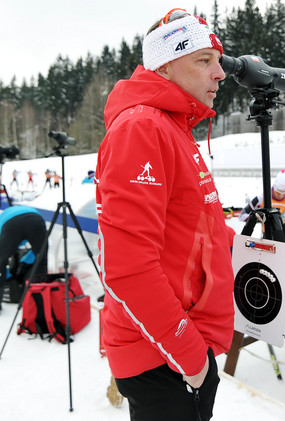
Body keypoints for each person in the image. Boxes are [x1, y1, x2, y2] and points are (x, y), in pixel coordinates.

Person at [95, 8, 234, 421]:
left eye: (219, 60)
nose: (220, 74)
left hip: (178, 346)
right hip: (164, 354)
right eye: (203, 60)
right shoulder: (143, 128)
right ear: (167, 65)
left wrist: (242, 243)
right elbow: (128, 268)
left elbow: (191, 227)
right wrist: (192, 359)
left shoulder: (171, 127)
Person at [0, 205, 48, 312]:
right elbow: (36, 254)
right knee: (42, 259)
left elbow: (2, 260)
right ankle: (40, 296)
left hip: (11, 223)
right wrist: (24, 263)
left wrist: (9, 277)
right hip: (36, 219)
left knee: (1, 262)